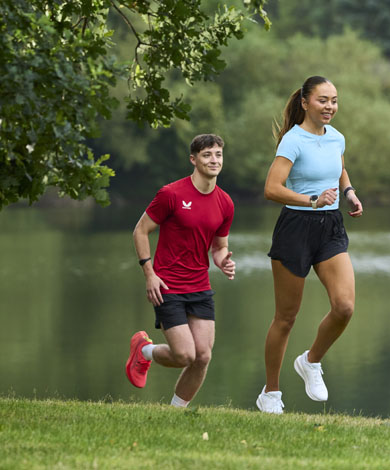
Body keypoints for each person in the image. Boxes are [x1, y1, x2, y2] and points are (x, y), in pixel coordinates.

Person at [256, 76, 363, 414]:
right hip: (296, 228)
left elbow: (339, 167)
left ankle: (311, 361)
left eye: (333, 100)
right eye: (322, 100)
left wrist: (348, 192)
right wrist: (311, 199)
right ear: (305, 102)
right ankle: (270, 393)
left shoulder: (336, 137)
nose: (329, 106)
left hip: (330, 226)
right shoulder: (293, 140)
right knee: (286, 317)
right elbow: (272, 188)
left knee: (344, 306)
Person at [125, 134, 236, 409]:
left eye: (218, 154)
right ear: (194, 159)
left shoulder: (225, 203)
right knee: (185, 355)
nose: (214, 160)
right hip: (168, 286)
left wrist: (223, 261)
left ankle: (175, 413)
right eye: (207, 154)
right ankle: (145, 351)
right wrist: (149, 273)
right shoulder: (172, 194)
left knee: (203, 356)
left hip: (200, 287)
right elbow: (140, 230)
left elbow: (219, 247)